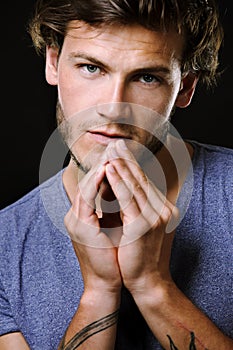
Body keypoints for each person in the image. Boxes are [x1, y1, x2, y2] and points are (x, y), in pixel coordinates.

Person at [0, 0, 232, 349]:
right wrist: (98, 293)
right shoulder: (5, 245)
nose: (113, 107)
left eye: (147, 77)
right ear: (53, 62)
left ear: (184, 88)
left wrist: (153, 286)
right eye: (91, 68)